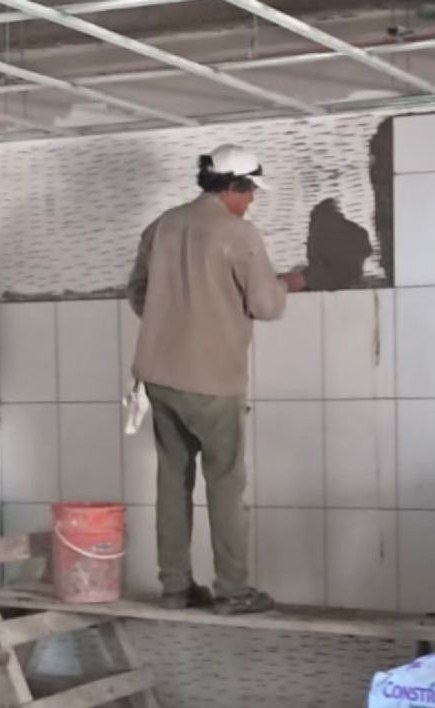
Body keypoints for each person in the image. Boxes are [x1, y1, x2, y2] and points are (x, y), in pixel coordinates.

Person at [127, 144, 305, 615]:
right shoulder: (237, 233)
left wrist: (174, 319)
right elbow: (266, 306)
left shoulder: (162, 226)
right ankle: (232, 590)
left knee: (172, 479)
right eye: (250, 192)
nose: (252, 201)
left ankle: (175, 587)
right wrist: (288, 283)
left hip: (159, 376)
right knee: (225, 484)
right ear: (232, 187)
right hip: (212, 381)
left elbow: (138, 292)